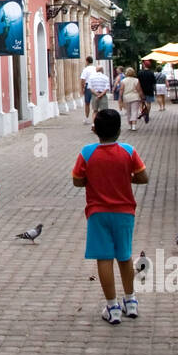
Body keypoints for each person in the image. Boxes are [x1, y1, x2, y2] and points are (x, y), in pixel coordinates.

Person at [72, 108, 149, 324]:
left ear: (95, 129)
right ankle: (131, 301)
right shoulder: (128, 151)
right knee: (124, 256)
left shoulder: (86, 153)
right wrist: (126, 178)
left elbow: (77, 180)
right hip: (125, 212)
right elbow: (143, 177)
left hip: (98, 212)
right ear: (119, 129)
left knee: (104, 258)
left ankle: (112, 306)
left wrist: (93, 180)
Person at [119, 66, 143, 131]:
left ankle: (130, 125)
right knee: (134, 111)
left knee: (128, 112)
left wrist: (120, 99)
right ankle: (134, 126)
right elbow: (139, 90)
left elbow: (121, 90)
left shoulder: (123, 81)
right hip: (135, 97)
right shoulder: (136, 80)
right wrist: (142, 97)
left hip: (126, 98)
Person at [79, 56, 98, 124]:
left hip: (88, 86)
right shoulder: (96, 68)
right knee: (95, 103)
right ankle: (95, 118)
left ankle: (87, 118)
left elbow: (83, 79)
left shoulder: (85, 69)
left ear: (87, 61)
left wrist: (82, 88)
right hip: (95, 86)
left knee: (87, 103)